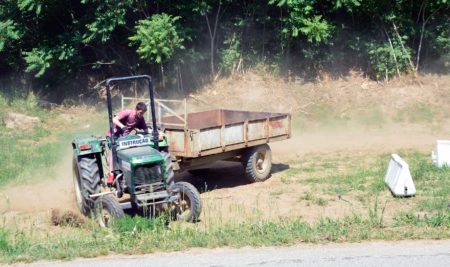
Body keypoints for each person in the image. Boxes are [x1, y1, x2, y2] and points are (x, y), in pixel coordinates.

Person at [107, 102, 150, 184]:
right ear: (136, 109)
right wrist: (122, 126)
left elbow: (146, 129)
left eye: (143, 113)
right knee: (113, 149)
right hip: (114, 134)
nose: (142, 115)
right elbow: (114, 119)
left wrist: (156, 132)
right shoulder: (127, 113)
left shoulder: (140, 118)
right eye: (141, 112)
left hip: (124, 138)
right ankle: (111, 174)